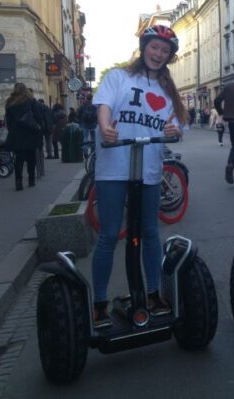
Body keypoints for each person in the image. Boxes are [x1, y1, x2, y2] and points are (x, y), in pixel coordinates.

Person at [90, 24, 187, 328]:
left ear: (169, 56)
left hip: (148, 170)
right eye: (154, 47)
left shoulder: (167, 91)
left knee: (149, 232)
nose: (158, 54)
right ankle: (100, 302)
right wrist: (105, 128)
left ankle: (154, 293)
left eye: (164, 50)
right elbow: (104, 106)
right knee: (108, 234)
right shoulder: (118, 77)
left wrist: (173, 131)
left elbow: (175, 127)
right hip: (113, 167)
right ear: (144, 48)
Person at [4, 83, 43, 191]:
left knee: (19, 159)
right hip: (30, 133)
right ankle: (31, 180)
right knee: (31, 158)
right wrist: (39, 126)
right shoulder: (30, 101)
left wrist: (12, 131)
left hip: (16, 135)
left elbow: (8, 120)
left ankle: (18, 182)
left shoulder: (10, 102)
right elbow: (38, 116)